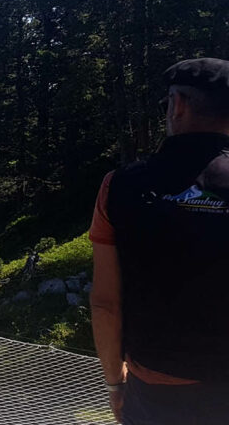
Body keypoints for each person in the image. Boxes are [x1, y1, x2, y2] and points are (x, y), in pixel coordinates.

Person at [90, 57, 229, 424]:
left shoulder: (119, 185)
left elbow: (106, 304)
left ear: (178, 105)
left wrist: (115, 384)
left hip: (155, 388)